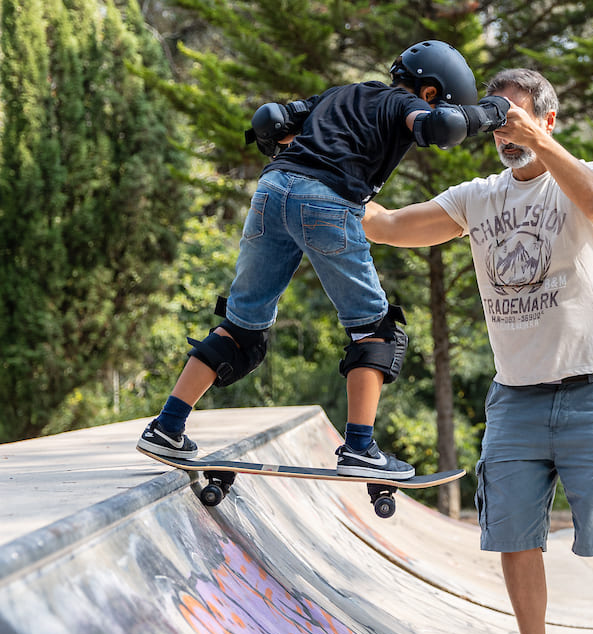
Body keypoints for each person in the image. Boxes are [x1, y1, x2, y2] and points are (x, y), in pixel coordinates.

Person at [361, 69, 593, 634]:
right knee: (514, 536)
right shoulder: (477, 199)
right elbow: (385, 227)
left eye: (519, 119)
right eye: (496, 120)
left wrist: (541, 143)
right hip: (516, 399)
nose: (505, 131)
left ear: (549, 121)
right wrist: (325, 164)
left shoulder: (581, 175)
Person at [136, 42, 508, 479]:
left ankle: (167, 427)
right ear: (430, 91)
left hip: (271, 191)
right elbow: (440, 127)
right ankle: (359, 447)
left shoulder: (341, 93)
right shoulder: (408, 104)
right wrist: (492, 112)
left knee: (243, 324)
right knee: (375, 330)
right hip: (327, 203)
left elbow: (270, 120)